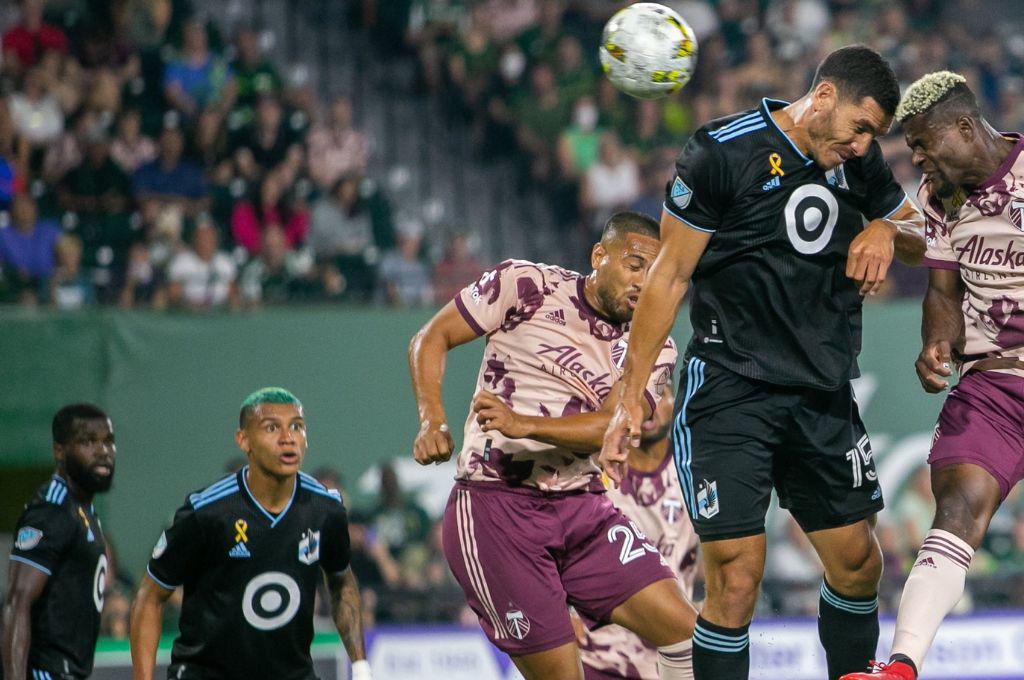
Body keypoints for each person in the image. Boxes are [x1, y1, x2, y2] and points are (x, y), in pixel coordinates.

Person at [599, 45, 926, 680]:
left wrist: (886, 229)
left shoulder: (858, 167)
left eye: (875, 136)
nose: (864, 145)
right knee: (738, 573)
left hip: (821, 392)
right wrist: (628, 395)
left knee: (859, 562)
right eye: (861, 127)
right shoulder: (721, 152)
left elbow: (922, 237)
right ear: (824, 96)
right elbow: (668, 279)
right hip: (730, 390)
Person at [408, 211, 697, 680]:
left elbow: (612, 424)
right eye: (635, 265)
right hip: (495, 509)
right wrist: (431, 419)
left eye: (656, 272)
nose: (645, 284)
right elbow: (431, 337)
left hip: (582, 506)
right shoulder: (525, 285)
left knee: (690, 634)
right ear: (599, 256)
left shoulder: (654, 345)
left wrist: (523, 424)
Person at [840, 72, 1024, 680]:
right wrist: (934, 345)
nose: (917, 159)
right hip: (994, 386)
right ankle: (900, 668)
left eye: (922, 144)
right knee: (956, 508)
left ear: (966, 128)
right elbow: (942, 288)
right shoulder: (939, 197)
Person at [129, 387, 372, 680]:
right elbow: (150, 596)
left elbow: (341, 580)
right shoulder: (206, 512)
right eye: (272, 427)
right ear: (243, 440)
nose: (288, 438)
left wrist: (360, 667)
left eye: (297, 426)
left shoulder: (326, 509)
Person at [576, 379, 700, 680]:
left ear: (675, 403)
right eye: (642, 396)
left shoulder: (696, 471)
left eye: (660, 394)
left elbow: (721, 551)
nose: (650, 407)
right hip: (602, 652)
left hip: (673, 649)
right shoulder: (594, 469)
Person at [2, 403, 117, 680]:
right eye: (88, 442)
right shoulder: (52, 510)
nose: (103, 452)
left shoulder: (81, 507)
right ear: (59, 451)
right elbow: (18, 603)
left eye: (109, 441)